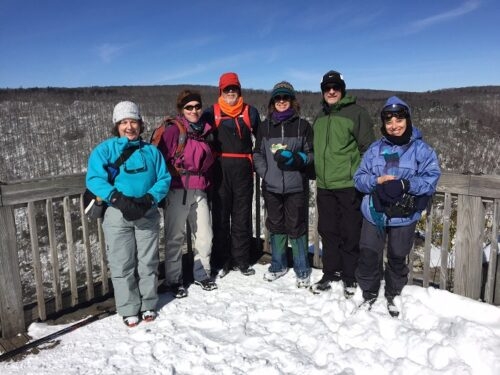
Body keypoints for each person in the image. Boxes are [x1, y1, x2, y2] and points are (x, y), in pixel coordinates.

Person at [86, 101, 171, 327]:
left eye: (133, 121)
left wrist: (149, 199)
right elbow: (94, 179)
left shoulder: (151, 152)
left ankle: (148, 303)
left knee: (148, 262)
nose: (129, 126)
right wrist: (117, 199)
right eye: (123, 122)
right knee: (121, 263)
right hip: (117, 214)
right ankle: (128, 307)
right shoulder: (105, 150)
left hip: (147, 212)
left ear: (140, 124)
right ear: (117, 126)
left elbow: (164, 178)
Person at [353, 96, 440, 316]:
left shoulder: (421, 150)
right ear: (383, 124)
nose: (394, 125)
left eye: (399, 119)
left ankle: (393, 293)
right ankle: (369, 292)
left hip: (405, 215)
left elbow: (431, 177)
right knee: (369, 254)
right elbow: (359, 178)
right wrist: (376, 181)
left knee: (397, 256)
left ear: (408, 119)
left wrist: (406, 184)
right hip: (375, 212)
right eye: (389, 121)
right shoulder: (375, 149)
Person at [311, 70, 376, 298]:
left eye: (335, 88)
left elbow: (368, 148)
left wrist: (361, 175)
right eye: (327, 88)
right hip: (324, 185)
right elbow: (317, 151)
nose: (331, 91)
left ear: (342, 90)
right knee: (328, 231)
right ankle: (331, 273)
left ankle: (350, 276)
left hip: (348, 184)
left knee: (350, 231)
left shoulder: (356, 114)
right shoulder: (319, 117)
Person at [157, 90, 217, 298]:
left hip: (199, 189)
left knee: (205, 236)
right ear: (182, 110)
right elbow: (159, 160)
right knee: (175, 237)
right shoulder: (174, 130)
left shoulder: (205, 131)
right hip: (177, 189)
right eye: (189, 107)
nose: (194, 110)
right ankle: (173, 280)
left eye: (197, 106)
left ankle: (202, 273)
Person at [253, 81, 313, 288]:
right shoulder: (264, 127)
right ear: (272, 102)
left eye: (285, 98)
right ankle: (278, 264)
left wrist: (299, 159)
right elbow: (258, 154)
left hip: (296, 186)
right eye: (277, 98)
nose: (281, 101)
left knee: (296, 226)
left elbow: (311, 154)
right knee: (276, 226)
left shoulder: (303, 126)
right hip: (272, 186)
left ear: (292, 101)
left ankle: (302, 267)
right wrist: (266, 174)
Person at [204, 72, 261, 277]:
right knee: (220, 217)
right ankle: (221, 260)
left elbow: (261, 140)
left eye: (234, 88)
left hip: (244, 170)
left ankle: (241, 260)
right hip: (220, 170)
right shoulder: (212, 112)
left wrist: (259, 162)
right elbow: (199, 136)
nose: (230, 92)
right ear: (221, 90)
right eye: (227, 89)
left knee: (241, 217)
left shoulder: (250, 112)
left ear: (239, 90)